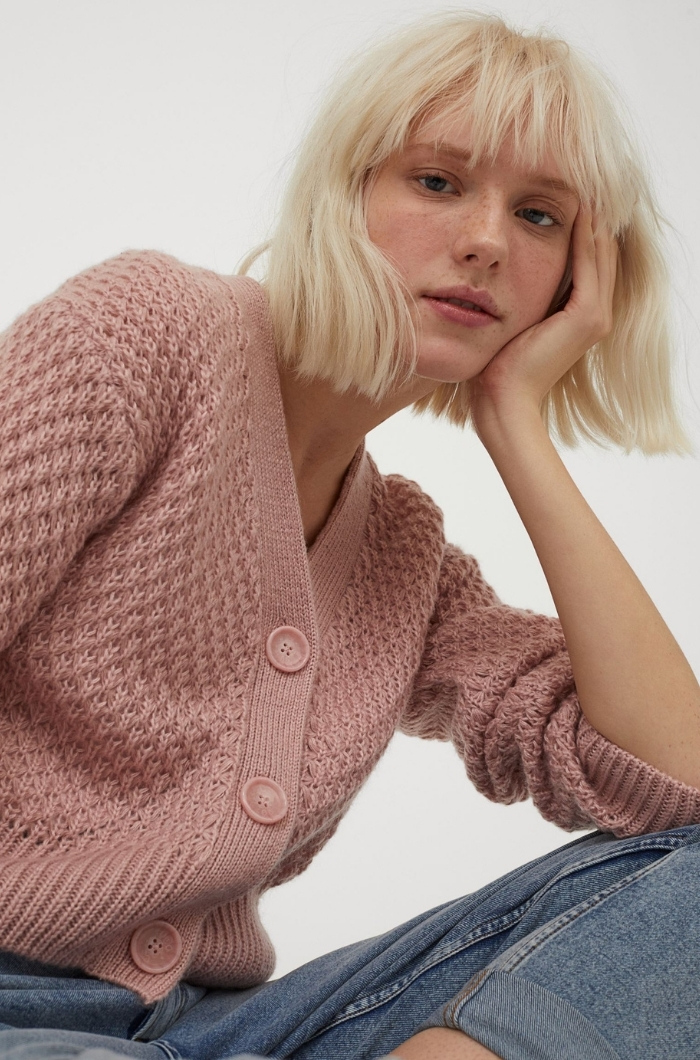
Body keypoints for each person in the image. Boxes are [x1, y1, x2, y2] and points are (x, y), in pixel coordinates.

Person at [0, 10, 698, 1060]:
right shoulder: (142, 341)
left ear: (574, 278)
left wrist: (520, 428)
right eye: (437, 181)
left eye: (539, 215)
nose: (486, 240)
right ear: (345, 190)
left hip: (211, 1028)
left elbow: (675, 790)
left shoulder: (403, 559)